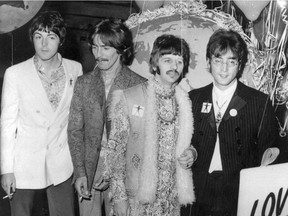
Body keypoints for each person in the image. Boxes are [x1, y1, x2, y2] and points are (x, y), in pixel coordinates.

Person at [186, 29, 277, 216]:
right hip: (198, 190)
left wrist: (270, 155)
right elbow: (187, 142)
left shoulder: (259, 102)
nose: (224, 69)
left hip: (238, 191)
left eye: (231, 61)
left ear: (240, 65)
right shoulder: (193, 99)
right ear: (208, 63)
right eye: (218, 61)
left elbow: (271, 147)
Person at [0, 10, 83, 216]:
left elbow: (77, 120)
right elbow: (7, 125)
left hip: (61, 163)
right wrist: (6, 169)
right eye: (39, 37)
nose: (44, 44)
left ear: (61, 40)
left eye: (51, 37)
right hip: (23, 165)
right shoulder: (15, 74)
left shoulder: (75, 69)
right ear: (32, 40)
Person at [105, 34, 197, 216]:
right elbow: (115, 151)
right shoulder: (130, 97)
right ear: (155, 64)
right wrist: (119, 197)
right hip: (136, 198)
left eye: (179, 61)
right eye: (167, 60)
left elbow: (185, 143)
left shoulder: (185, 101)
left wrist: (191, 153)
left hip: (170, 201)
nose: (174, 67)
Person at [67, 18, 146, 216]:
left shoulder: (140, 85)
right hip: (89, 169)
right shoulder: (83, 83)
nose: (98, 54)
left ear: (121, 49)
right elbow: (75, 131)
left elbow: (141, 138)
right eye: (94, 47)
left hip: (124, 173)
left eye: (105, 48)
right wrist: (80, 173)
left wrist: (113, 172)